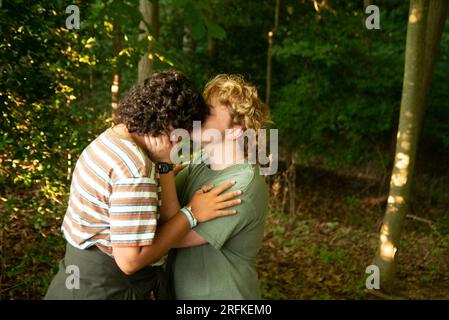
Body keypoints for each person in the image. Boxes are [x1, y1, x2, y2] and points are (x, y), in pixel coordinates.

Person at [44, 70, 242, 300]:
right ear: (168, 123)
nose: (181, 141)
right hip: (104, 288)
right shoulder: (135, 170)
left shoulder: (112, 138)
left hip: (74, 278)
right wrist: (192, 213)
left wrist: (164, 164)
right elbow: (130, 261)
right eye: (181, 133)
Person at [150, 74, 271, 299]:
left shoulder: (242, 184)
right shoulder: (200, 160)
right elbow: (160, 205)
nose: (196, 115)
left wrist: (165, 165)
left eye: (208, 112)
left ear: (236, 130)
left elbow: (172, 238)